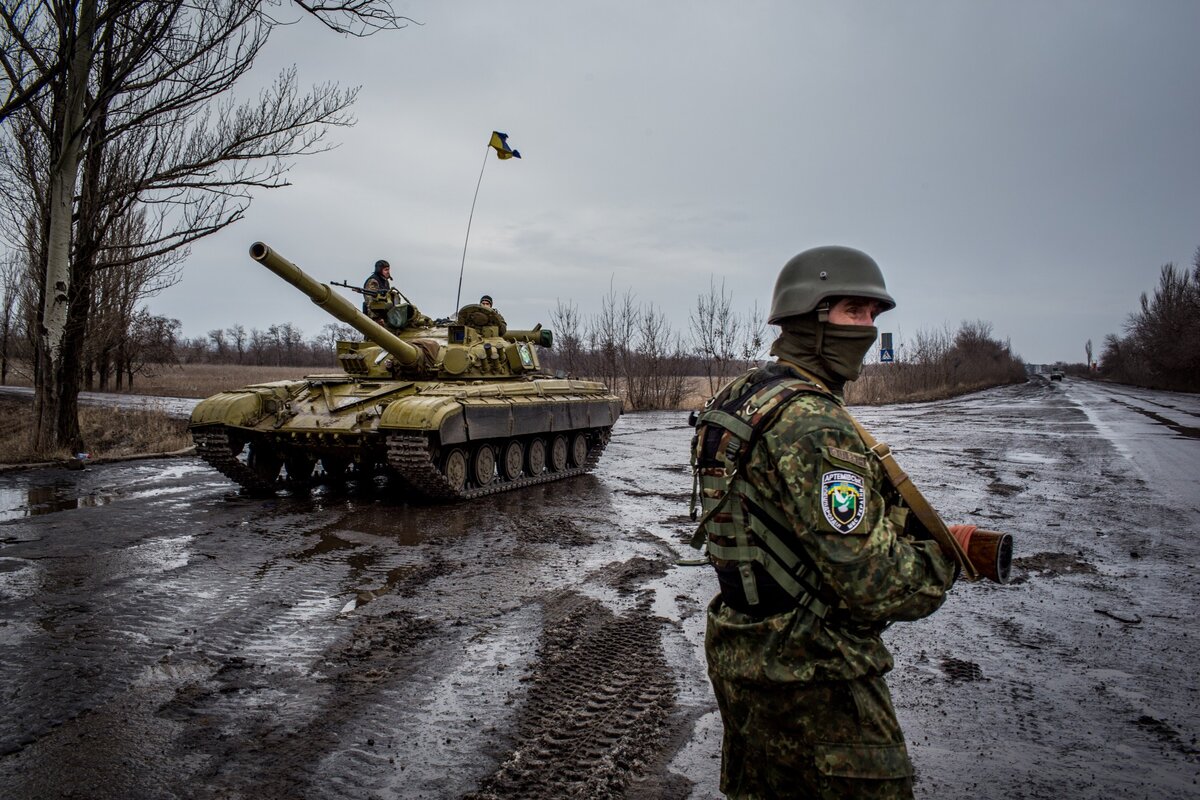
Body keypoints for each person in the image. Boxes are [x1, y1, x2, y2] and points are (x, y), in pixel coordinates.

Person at [690, 245, 971, 799]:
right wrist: (947, 557)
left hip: (747, 662)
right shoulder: (815, 424)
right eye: (852, 311)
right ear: (810, 317)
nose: (866, 328)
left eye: (873, 315)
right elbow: (876, 585)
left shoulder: (745, 397)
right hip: (817, 678)